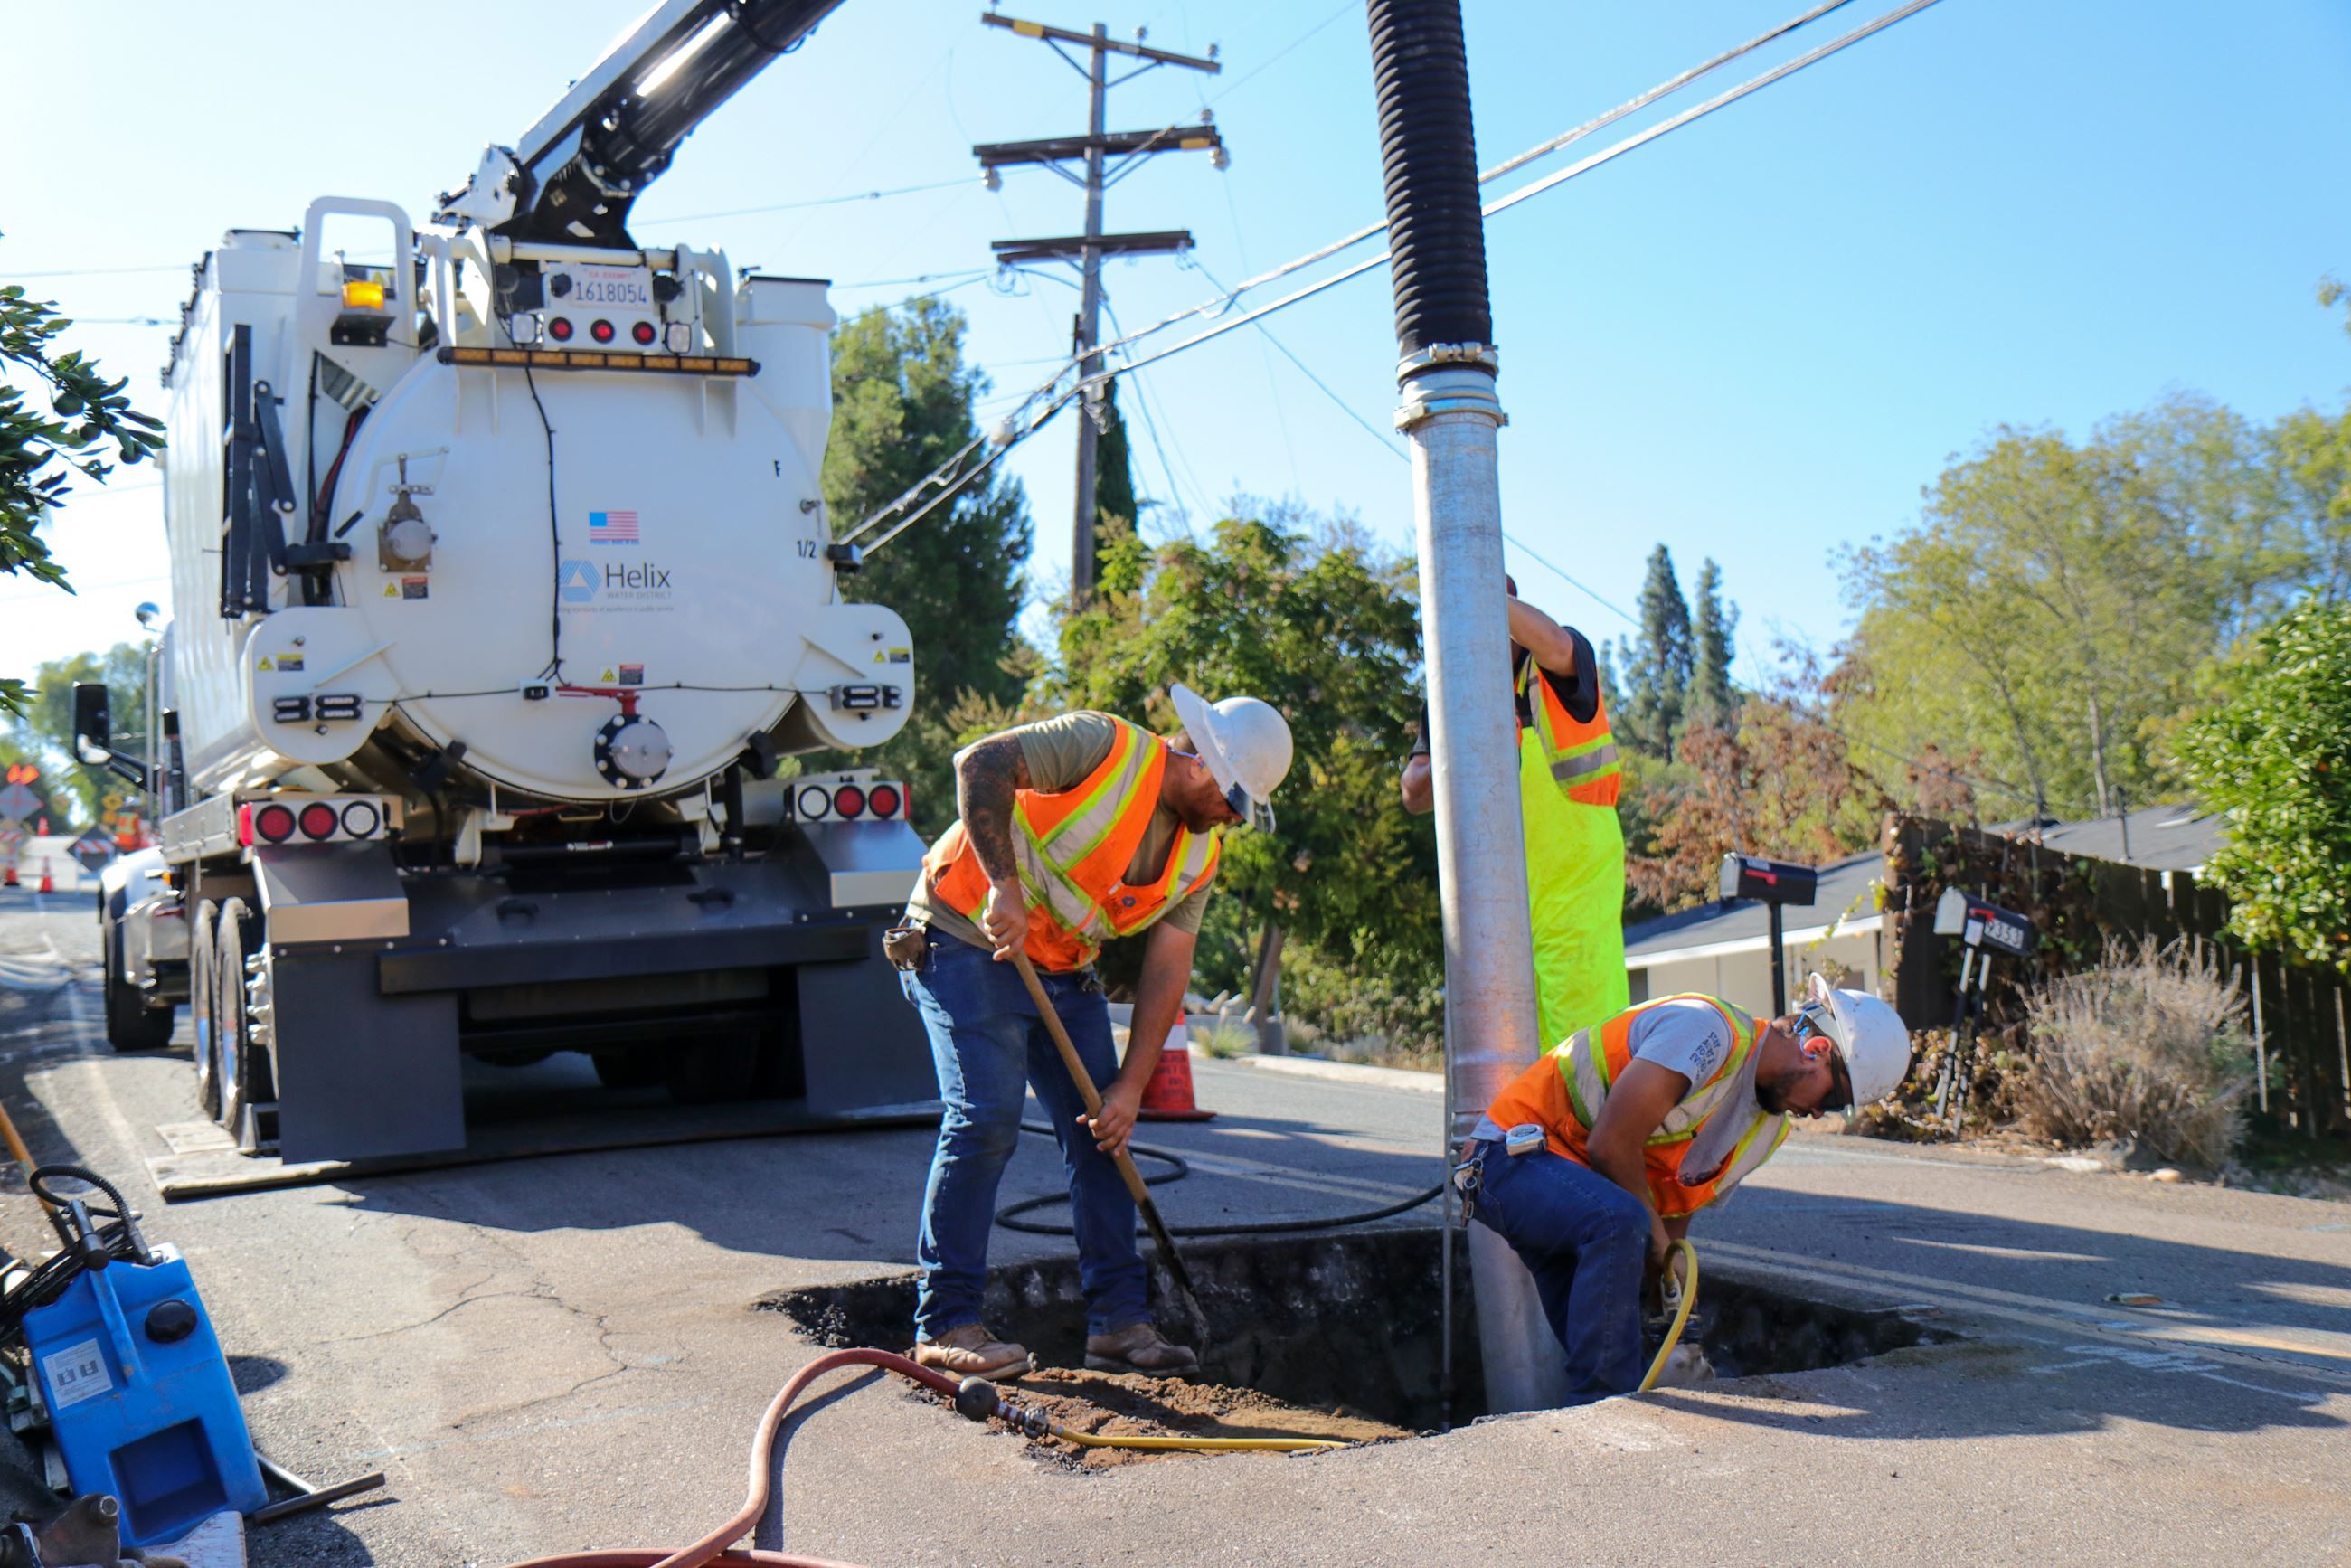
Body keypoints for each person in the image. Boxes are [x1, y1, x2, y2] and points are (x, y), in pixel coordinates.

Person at [891, 686, 1293, 1381]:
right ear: (1199, 761)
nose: (1231, 818)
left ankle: (1118, 1326)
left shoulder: (1198, 858)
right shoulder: (1102, 745)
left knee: (1104, 1134)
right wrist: (1003, 885)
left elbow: (1168, 970)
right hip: (962, 936)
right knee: (986, 1119)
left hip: (1059, 968)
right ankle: (945, 1323)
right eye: (1231, 798)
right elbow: (978, 763)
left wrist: (1132, 1088)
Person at [1456, 975, 1911, 1404]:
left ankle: (1598, 1434)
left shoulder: (1765, 1132)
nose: (1819, 1115)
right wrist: (1655, 1251)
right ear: (1815, 1049)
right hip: (1509, 1159)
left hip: (1581, 1199)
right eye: (1833, 1100)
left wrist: (1671, 1306)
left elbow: (1673, 1214)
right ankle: (1598, 1419)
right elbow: (1612, 1147)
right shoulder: (1706, 1030)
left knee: (1623, 1347)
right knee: (1619, 1227)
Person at [1400, 581, 1629, 1050]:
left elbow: (1557, 645)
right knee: (1508, 1045)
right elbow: (1413, 792)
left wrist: (1471, 588)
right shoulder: (1450, 695)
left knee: (1582, 1036)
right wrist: (1455, 746)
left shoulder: (1555, 661)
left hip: (1574, 883)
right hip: (1495, 889)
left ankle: (1595, 1124)